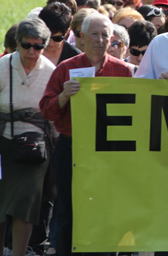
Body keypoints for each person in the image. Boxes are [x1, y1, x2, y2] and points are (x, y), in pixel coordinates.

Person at [40, 13, 133, 256]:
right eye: (95, 34)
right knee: (68, 209)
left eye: (105, 35)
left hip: (109, 151)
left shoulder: (123, 72)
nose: (100, 40)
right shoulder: (66, 69)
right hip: (72, 148)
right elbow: (46, 109)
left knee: (107, 207)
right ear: (82, 37)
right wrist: (63, 96)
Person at [0, 19, 55, 256]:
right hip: (3, 142)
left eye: (38, 46)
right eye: (26, 45)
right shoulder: (3, 67)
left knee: (26, 205)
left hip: (36, 146)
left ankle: (19, 253)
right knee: (1, 205)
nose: (32, 52)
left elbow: (55, 111)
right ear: (17, 43)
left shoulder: (51, 71)